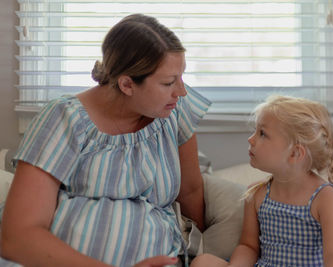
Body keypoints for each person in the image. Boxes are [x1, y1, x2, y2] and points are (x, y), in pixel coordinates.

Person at [0, 14, 211, 267]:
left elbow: (190, 191)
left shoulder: (173, 109)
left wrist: (199, 250)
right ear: (127, 84)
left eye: (181, 76)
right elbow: (18, 236)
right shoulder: (64, 119)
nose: (182, 91)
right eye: (168, 82)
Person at [190, 95, 333, 267]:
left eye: (262, 134)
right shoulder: (257, 194)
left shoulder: (325, 198)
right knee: (203, 262)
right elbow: (248, 246)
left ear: (295, 154)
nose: (251, 139)